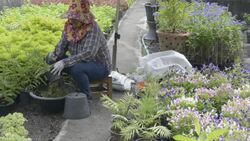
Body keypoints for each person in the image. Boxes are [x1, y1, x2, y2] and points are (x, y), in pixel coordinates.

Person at [46, 0, 111, 100]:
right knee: (51, 59)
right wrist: (54, 56)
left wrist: (64, 62)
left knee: (77, 69)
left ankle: (85, 97)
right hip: (77, 61)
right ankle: (55, 88)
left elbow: (88, 54)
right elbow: (62, 46)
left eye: (76, 18)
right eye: (71, 18)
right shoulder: (69, 26)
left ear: (84, 19)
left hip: (99, 65)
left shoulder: (92, 28)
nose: (72, 20)